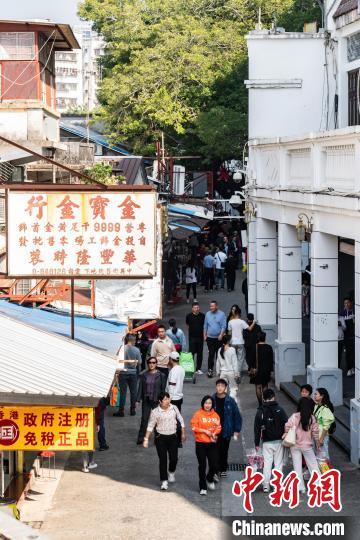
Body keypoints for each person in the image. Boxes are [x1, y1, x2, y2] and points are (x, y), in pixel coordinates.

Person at [143, 392, 186, 491]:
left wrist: (183, 433)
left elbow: (180, 419)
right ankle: (164, 481)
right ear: (160, 401)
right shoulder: (155, 412)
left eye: (168, 399)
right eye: (165, 399)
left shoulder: (174, 408)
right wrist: (146, 439)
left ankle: (171, 472)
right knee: (163, 460)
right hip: (160, 438)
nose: (168, 401)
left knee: (174, 458)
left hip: (173, 437)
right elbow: (150, 426)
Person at [254, 389, 288, 493]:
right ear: (274, 397)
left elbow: (256, 428)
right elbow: (287, 424)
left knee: (267, 464)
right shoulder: (280, 410)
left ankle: (266, 486)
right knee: (278, 463)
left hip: (266, 442)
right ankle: (277, 484)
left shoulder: (260, 411)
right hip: (279, 441)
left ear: (263, 398)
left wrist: (256, 443)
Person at [284, 398, 320, 494]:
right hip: (307, 446)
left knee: (297, 466)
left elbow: (287, 426)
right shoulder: (312, 418)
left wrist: (288, 432)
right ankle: (317, 484)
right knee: (313, 465)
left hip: (294, 445)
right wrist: (318, 444)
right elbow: (315, 433)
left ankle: (301, 488)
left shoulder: (294, 416)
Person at [190, 395, 221, 495]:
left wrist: (214, 433)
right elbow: (193, 427)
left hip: (212, 444)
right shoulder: (198, 414)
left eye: (210, 403)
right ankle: (203, 487)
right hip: (200, 444)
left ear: (212, 404)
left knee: (214, 465)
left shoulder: (215, 415)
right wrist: (204, 431)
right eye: (206, 403)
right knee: (202, 465)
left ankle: (209, 478)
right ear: (203, 404)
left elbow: (219, 427)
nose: (208, 405)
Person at [213, 378, 242, 477]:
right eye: (218, 386)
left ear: (225, 388)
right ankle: (215, 470)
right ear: (216, 387)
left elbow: (236, 415)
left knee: (224, 450)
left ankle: (223, 469)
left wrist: (237, 430)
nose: (220, 388)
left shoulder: (230, 400)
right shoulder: (212, 400)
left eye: (222, 386)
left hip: (226, 430)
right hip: (214, 431)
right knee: (215, 451)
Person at [136, 356, 166, 445]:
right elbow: (140, 388)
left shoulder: (161, 375)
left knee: (157, 420)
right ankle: (141, 437)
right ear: (148, 364)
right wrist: (137, 400)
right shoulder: (144, 375)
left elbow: (163, 389)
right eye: (150, 363)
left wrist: (163, 400)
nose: (152, 364)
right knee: (144, 419)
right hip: (147, 400)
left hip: (157, 401)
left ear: (156, 364)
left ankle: (158, 438)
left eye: (153, 363)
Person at [114, 334, 141, 417]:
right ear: (133, 340)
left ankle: (121, 411)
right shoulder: (137, 350)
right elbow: (139, 362)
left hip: (123, 373)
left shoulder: (122, 348)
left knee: (123, 392)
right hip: (133, 373)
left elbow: (117, 358)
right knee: (133, 392)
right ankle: (132, 410)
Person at [227, 305, 253, 378]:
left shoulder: (230, 322)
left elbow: (229, 333)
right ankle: (237, 373)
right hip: (240, 342)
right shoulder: (242, 322)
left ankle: (233, 371)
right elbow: (250, 329)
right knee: (240, 358)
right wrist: (254, 322)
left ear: (234, 313)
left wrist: (228, 342)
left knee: (233, 357)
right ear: (239, 314)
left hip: (232, 342)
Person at [249, 331, 274, 406]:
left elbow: (251, 359)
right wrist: (270, 370)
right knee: (265, 385)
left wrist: (250, 368)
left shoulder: (254, 347)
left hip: (257, 370)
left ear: (258, 338)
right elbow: (271, 360)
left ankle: (260, 404)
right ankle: (266, 401)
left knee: (258, 386)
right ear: (265, 338)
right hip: (266, 370)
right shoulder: (269, 347)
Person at [204, 300, 227, 378]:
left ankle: (219, 370)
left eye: (213, 306)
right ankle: (210, 370)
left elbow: (224, 326)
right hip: (210, 338)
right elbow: (205, 325)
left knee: (219, 354)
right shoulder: (207, 314)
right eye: (210, 306)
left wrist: (221, 334)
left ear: (216, 306)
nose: (211, 308)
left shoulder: (222, 314)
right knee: (211, 354)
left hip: (218, 338)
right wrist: (205, 335)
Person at [313, 387, 335, 461]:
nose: (314, 395)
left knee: (323, 456)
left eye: (316, 394)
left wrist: (321, 439)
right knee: (318, 455)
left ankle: (326, 471)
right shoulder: (316, 406)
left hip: (322, 436)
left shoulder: (325, 409)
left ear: (322, 396)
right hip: (316, 435)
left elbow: (326, 426)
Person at [186, 302, 205, 374]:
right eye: (195, 308)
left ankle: (198, 369)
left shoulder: (203, 316)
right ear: (192, 309)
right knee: (191, 353)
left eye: (198, 307)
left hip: (200, 337)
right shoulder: (188, 316)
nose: (197, 309)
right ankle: (190, 368)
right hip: (192, 338)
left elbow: (204, 326)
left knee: (200, 353)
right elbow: (187, 325)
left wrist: (204, 336)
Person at [339, 298, 355, 376]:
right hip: (346, 336)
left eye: (348, 303)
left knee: (354, 352)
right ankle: (349, 368)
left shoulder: (354, 311)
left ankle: (353, 367)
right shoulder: (342, 313)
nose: (346, 304)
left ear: (351, 303)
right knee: (348, 353)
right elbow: (344, 327)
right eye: (345, 303)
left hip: (354, 335)